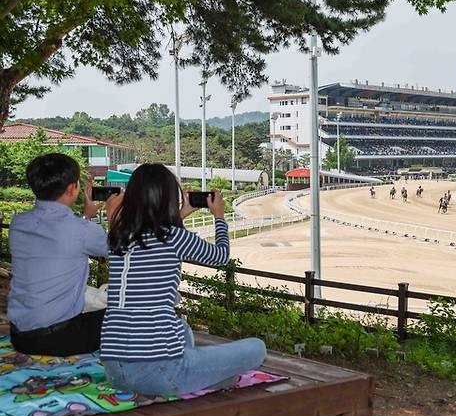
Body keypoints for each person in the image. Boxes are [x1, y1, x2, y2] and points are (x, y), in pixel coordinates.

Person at [101, 164, 266, 395]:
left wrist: (183, 213)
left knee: (183, 328)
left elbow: (156, 236)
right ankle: (205, 379)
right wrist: (219, 216)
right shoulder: (175, 237)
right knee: (256, 348)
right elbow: (220, 256)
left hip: (115, 373)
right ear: (168, 198)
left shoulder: (117, 237)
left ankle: (207, 377)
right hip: (161, 372)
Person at [8, 153, 121, 356]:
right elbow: (117, 248)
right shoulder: (79, 230)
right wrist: (113, 214)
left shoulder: (19, 222)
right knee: (128, 315)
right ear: (72, 188)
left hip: (20, 336)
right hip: (59, 339)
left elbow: (61, 239)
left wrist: (86, 215)